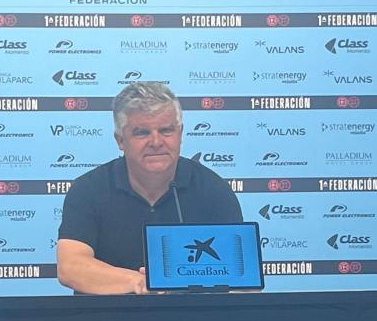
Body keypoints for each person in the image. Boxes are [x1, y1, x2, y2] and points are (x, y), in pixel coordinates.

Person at [56, 82, 242, 294]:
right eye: (142, 132)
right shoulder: (89, 189)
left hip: (191, 314)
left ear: (180, 133)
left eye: (166, 130)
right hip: (109, 314)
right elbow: (70, 267)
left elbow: (243, 279)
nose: (156, 142)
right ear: (120, 140)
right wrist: (140, 283)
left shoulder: (213, 189)